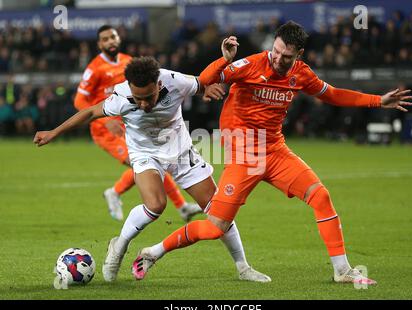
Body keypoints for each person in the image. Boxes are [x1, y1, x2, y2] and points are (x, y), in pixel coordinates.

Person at [134, 21, 412, 285]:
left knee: (321, 197)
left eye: (286, 56)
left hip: (276, 151)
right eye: (276, 51)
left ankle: (342, 271)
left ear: (299, 54)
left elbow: (333, 94)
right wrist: (225, 59)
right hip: (244, 155)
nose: (278, 59)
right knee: (216, 227)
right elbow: (207, 79)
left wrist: (378, 100)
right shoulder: (249, 65)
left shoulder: (301, 73)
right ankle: (154, 252)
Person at [33, 56, 270, 283]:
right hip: (144, 153)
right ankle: (120, 245)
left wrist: (207, 89)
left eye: (148, 97)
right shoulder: (121, 96)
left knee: (218, 210)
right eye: (138, 99)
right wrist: (54, 132)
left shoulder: (174, 81)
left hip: (180, 150)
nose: (143, 104)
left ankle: (243, 267)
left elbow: (201, 83)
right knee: (156, 205)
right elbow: (90, 112)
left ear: (158, 84)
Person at [74, 25, 201, 221]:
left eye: (113, 37)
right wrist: (106, 120)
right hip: (106, 130)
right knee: (147, 164)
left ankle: (181, 206)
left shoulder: (128, 62)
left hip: (130, 125)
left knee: (154, 163)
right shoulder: (94, 69)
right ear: (99, 44)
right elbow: (79, 102)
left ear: (119, 39)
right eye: (106, 39)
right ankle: (115, 192)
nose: (111, 41)